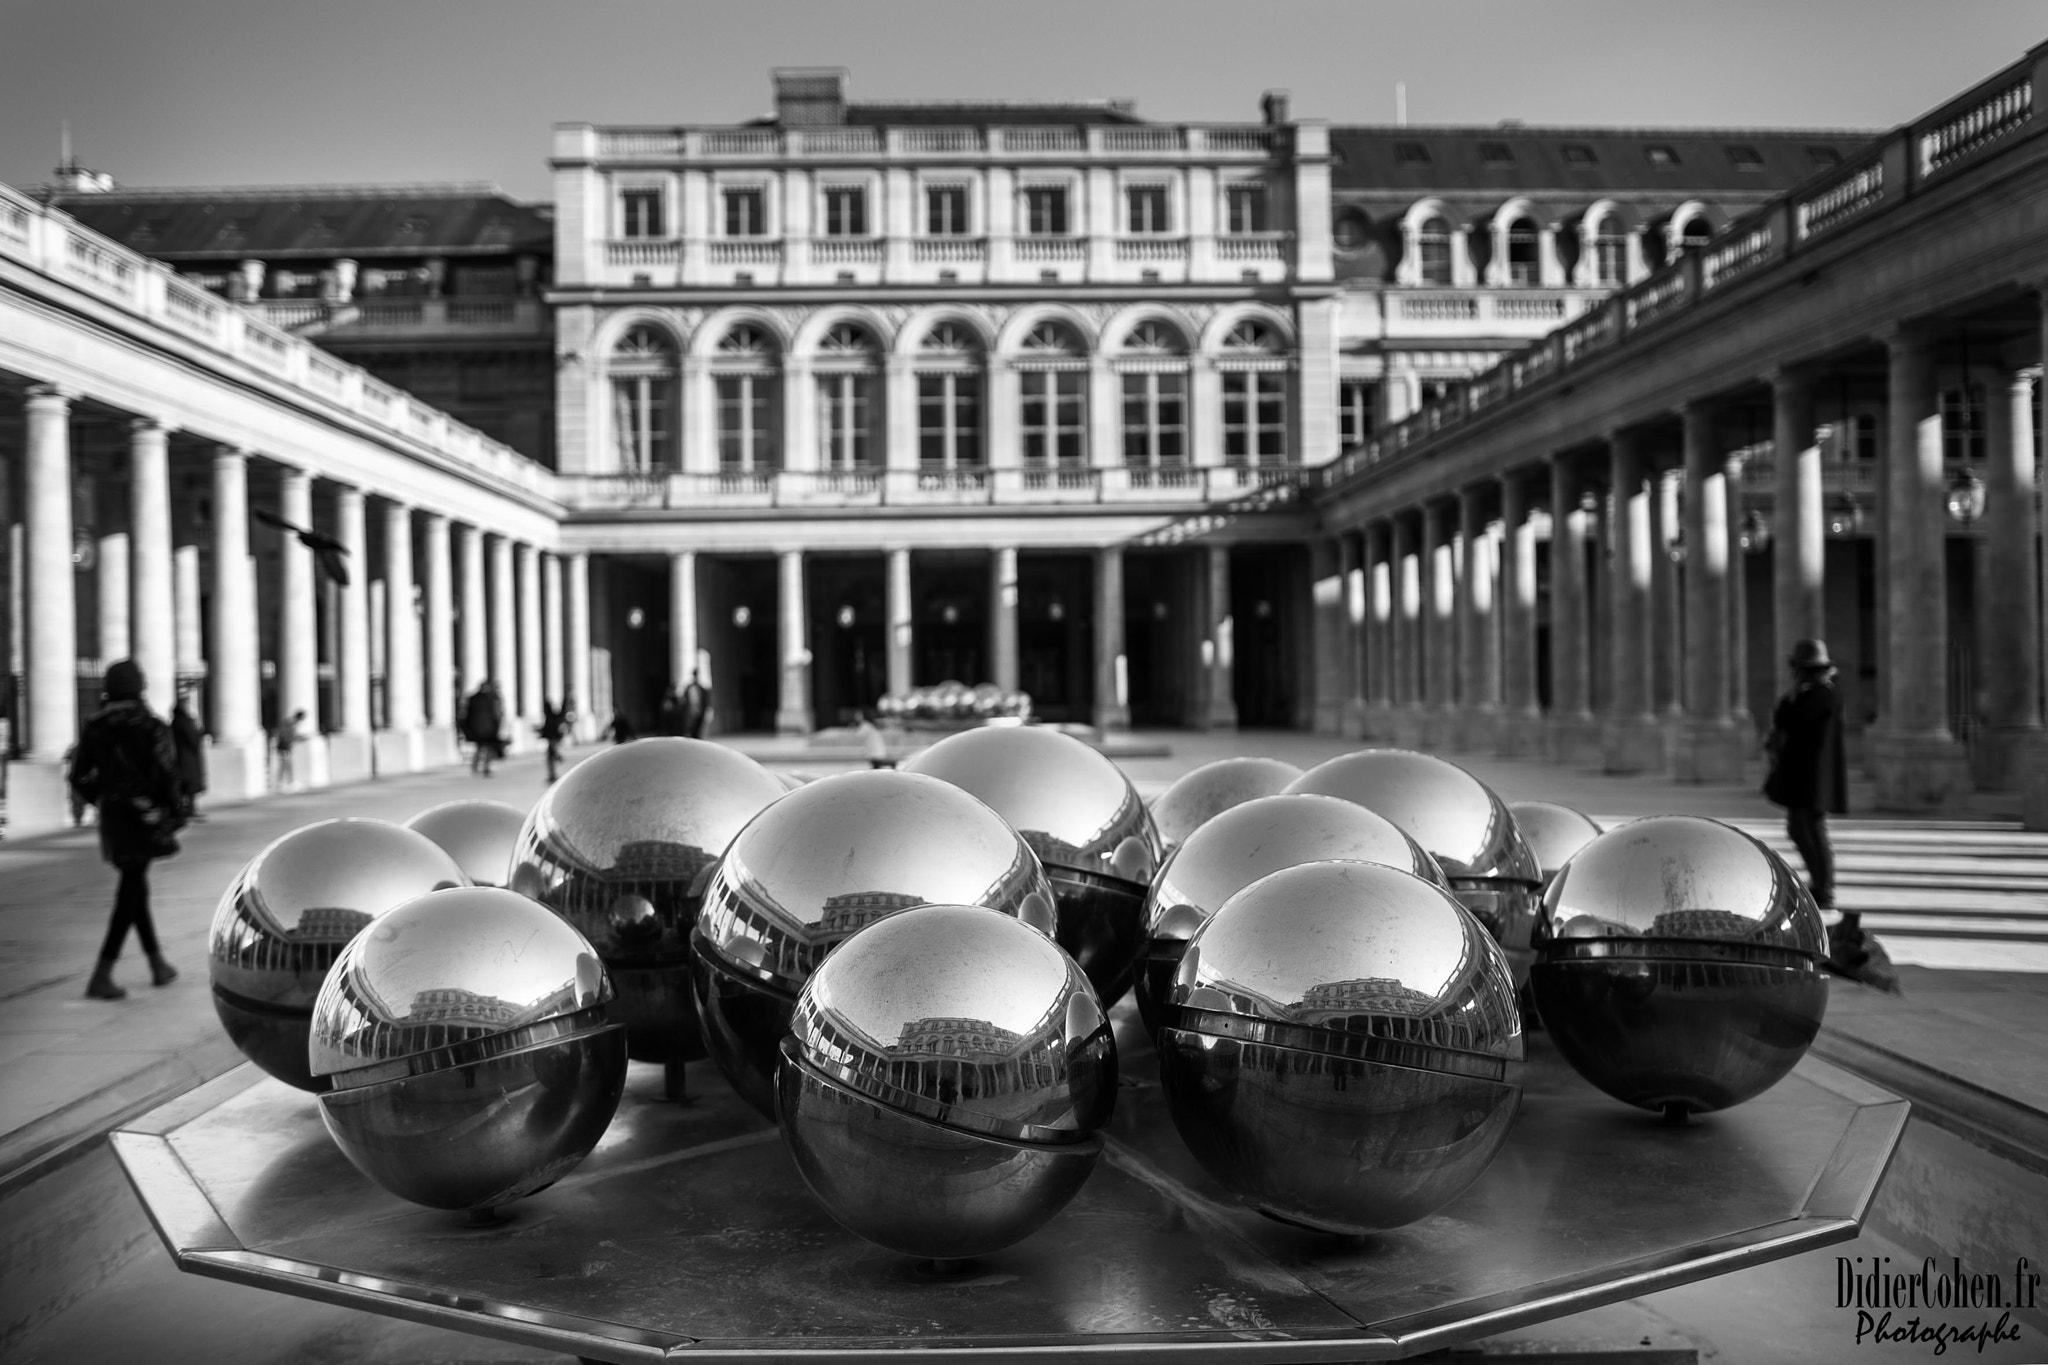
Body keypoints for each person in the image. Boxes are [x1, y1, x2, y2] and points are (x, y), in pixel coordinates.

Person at [1765, 637, 1897, 994]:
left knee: (1810, 829)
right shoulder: (1811, 693)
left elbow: (1791, 717)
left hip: (1813, 777)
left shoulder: (1823, 693)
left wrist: (1791, 701)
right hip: (1804, 775)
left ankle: (1825, 887)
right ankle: (1822, 884)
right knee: (1800, 827)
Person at [66, 659, 184, 1000]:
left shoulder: (95, 725)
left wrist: (103, 798)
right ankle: (102, 973)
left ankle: (157, 964)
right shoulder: (150, 725)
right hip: (144, 816)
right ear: (139, 686)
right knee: (130, 889)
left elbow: (78, 775)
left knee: (135, 884)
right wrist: (173, 811)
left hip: (115, 818)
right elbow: (167, 773)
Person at [170, 689, 208, 821]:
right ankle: (189, 809)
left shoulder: (178, 720)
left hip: (185, 757)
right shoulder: (183, 721)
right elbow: (193, 738)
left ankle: (189, 808)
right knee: (189, 784)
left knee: (187, 785)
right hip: (187, 758)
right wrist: (197, 730)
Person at [465, 680, 504, 776]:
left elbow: (468, 715)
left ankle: (476, 766)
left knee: (480, 748)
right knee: (487, 748)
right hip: (489, 728)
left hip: (477, 729)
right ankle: (485, 767)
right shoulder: (491, 699)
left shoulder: (474, 698)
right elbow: (496, 714)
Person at [273, 708, 306, 791]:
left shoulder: (289, 722)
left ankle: (284, 783)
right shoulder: (291, 723)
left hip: (285, 746)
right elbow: (288, 736)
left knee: (286, 765)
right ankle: (286, 783)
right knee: (286, 765)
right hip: (284, 746)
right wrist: (300, 737)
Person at [539, 697, 571, 782]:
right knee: (550, 756)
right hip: (553, 739)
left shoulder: (552, 716)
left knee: (551, 756)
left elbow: (563, 712)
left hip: (553, 739)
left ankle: (554, 771)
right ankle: (552, 773)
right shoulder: (551, 717)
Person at [680, 670, 711, 739]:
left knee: (698, 730)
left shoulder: (702, 689)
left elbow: (705, 701)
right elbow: (684, 701)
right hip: (690, 713)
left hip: (699, 712)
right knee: (691, 730)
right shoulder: (688, 688)